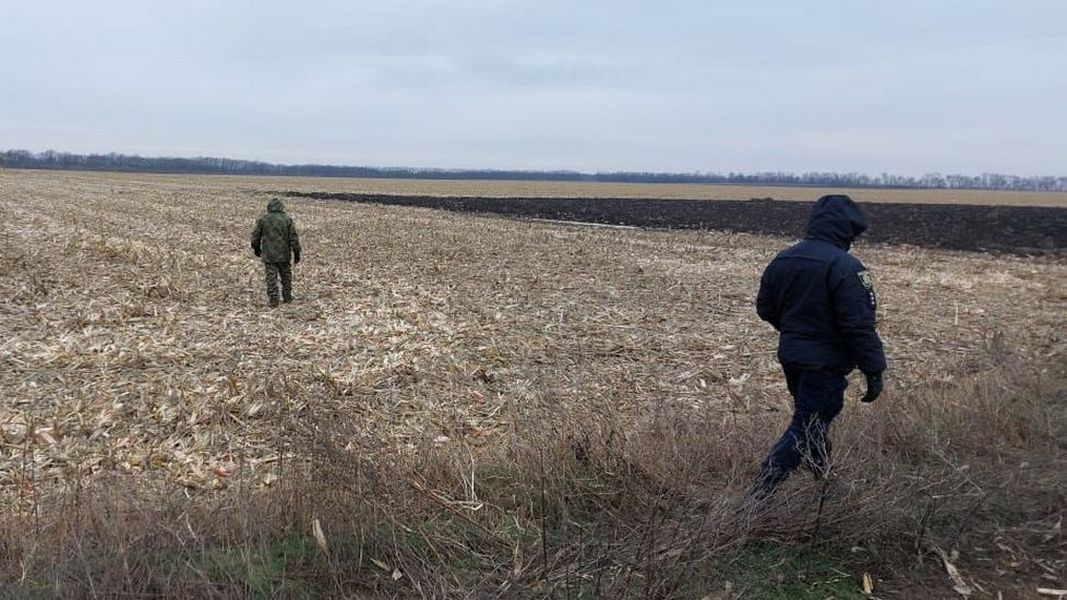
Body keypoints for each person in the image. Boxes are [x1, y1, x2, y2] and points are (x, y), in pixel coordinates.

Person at [752, 194, 886, 496]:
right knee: (807, 424)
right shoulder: (846, 267)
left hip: (792, 357)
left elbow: (765, 308)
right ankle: (759, 495)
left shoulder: (784, 259)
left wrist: (795, 332)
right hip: (824, 364)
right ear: (846, 230)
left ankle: (824, 481)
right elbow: (859, 326)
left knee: (813, 419)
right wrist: (874, 369)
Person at [251, 198, 302, 307]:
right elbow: (293, 238)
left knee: (271, 278)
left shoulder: (263, 219)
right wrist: (297, 253)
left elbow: (255, 237)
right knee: (286, 276)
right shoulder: (287, 219)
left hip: (269, 255)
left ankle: (274, 300)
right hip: (284, 254)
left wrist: (256, 249)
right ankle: (287, 297)